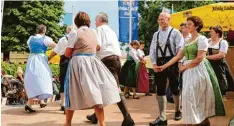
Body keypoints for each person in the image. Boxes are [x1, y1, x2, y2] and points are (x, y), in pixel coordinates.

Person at [158, 16, 225, 125]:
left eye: (189, 24)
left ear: (197, 26)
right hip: (188, 72)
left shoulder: (202, 39)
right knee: (188, 98)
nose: (186, 26)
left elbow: (200, 58)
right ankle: (196, 122)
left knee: (194, 98)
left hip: (198, 71)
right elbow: (178, 56)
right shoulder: (187, 40)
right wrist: (164, 66)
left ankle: (200, 121)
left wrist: (184, 67)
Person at [63, 11, 120, 126]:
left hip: (78, 63)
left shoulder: (74, 33)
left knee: (72, 92)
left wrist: (78, 49)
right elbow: (98, 47)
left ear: (76, 22)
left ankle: (68, 123)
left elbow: (67, 53)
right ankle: (102, 123)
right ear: (88, 21)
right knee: (95, 94)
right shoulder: (93, 32)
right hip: (93, 62)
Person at [86, 12, 135, 126]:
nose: (94, 22)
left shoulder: (99, 30)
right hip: (115, 61)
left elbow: (98, 46)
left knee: (115, 90)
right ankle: (95, 116)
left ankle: (128, 118)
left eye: (95, 20)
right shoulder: (111, 31)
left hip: (107, 61)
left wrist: (87, 50)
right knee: (101, 89)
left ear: (99, 20)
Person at [149, 12, 183, 126]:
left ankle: (178, 110)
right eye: (159, 20)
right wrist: (154, 64)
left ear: (169, 19)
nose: (161, 21)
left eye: (163, 19)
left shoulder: (176, 33)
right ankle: (162, 117)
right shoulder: (156, 34)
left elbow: (180, 50)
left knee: (174, 88)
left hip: (172, 62)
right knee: (160, 89)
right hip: (159, 63)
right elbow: (152, 50)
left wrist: (176, 63)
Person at [24, 24, 56, 112]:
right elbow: (56, 47)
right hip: (41, 59)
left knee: (33, 80)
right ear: (44, 30)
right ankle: (41, 101)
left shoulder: (30, 38)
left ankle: (31, 103)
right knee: (44, 79)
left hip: (31, 59)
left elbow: (29, 46)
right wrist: (50, 56)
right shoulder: (46, 38)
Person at [48, 26, 72, 113]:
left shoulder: (63, 39)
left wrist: (48, 58)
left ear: (67, 31)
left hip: (64, 61)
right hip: (74, 60)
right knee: (72, 82)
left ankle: (63, 104)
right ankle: (70, 104)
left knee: (63, 81)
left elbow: (55, 51)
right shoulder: (76, 39)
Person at [207, 25, 234, 94]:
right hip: (208, 66)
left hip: (218, 67)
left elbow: (221, 55)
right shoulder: (208, 41)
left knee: (220, 85)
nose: (210, 33)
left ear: (217, 33)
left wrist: (205, 57)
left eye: (212, 31)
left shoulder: (223, 42)